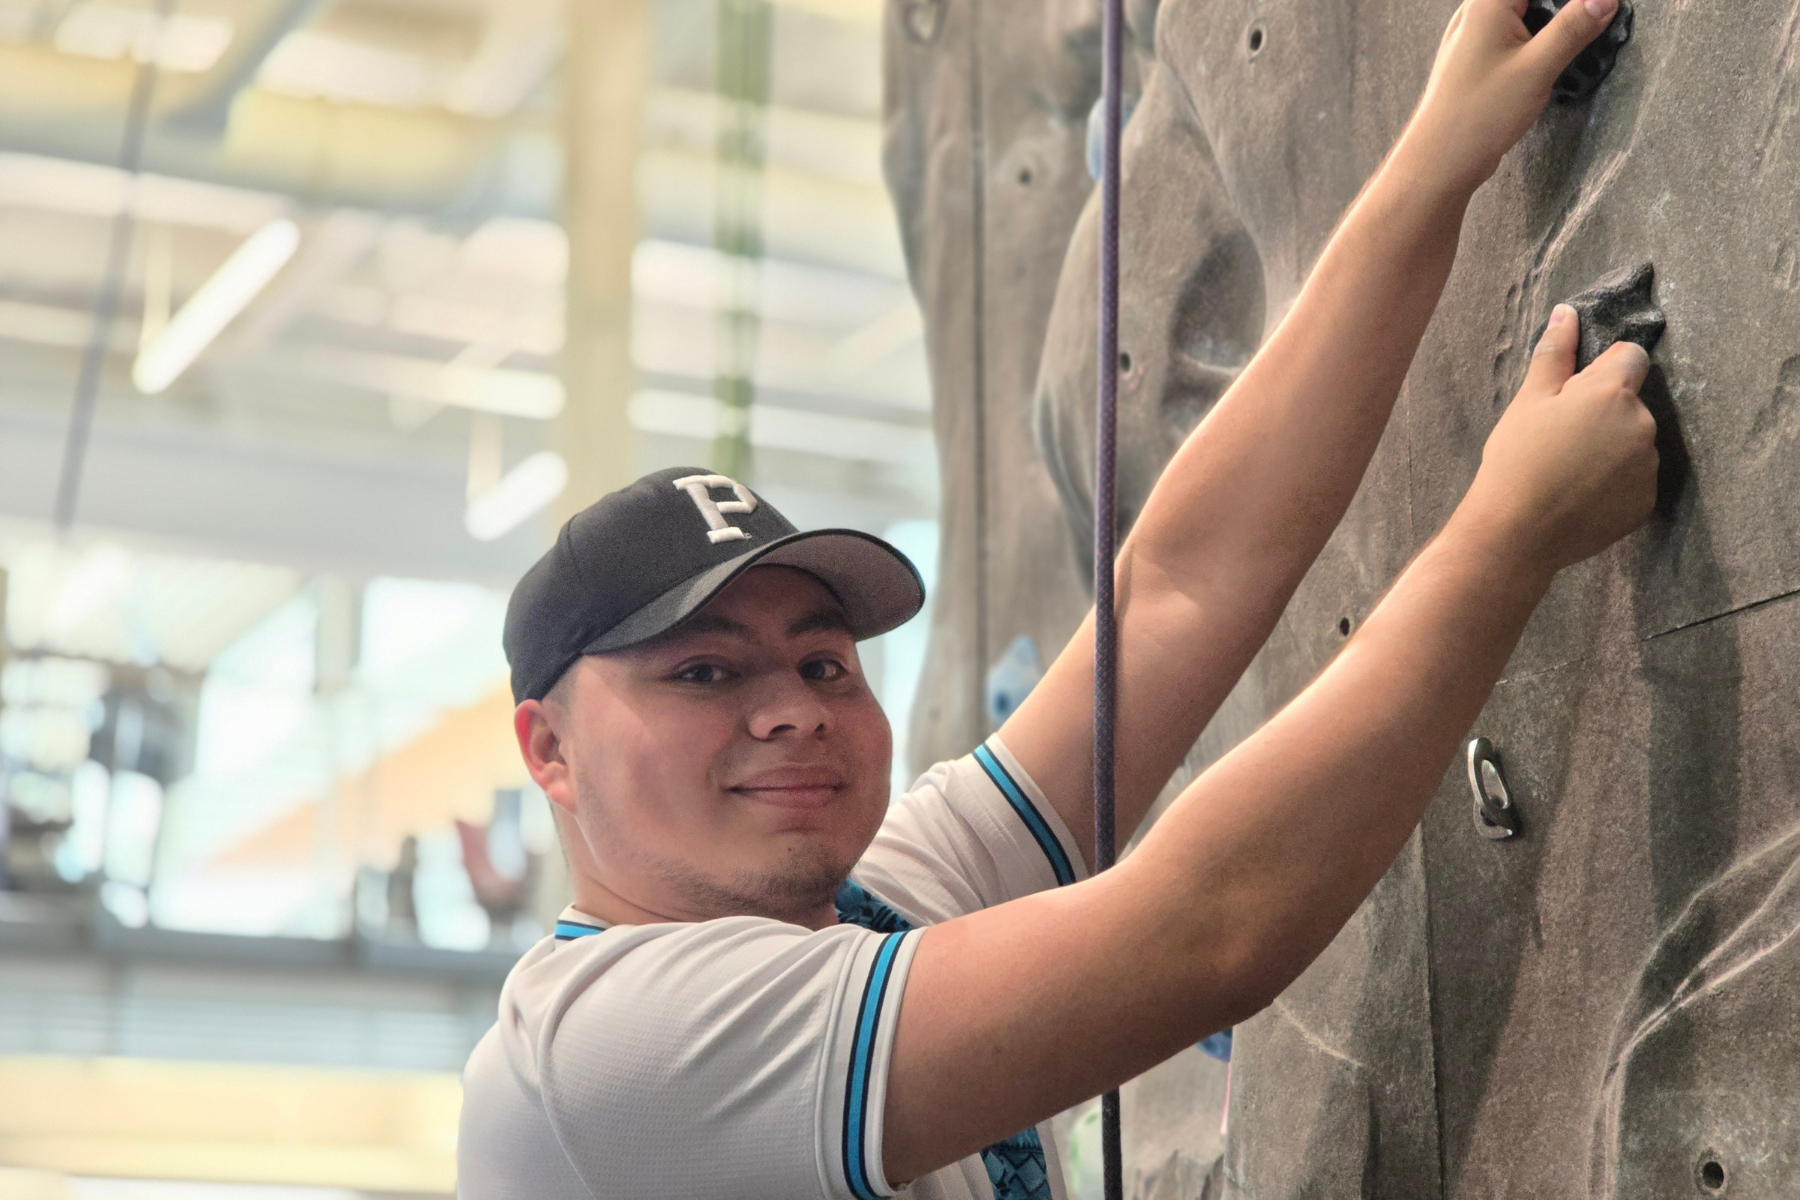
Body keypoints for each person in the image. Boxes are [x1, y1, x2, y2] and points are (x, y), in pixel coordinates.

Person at [457, 1, 1657, 1196]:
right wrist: (1506, 539)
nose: (795, 710)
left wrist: (1440, 154)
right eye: (705, 672)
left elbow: (1181, 584)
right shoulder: (606, 1056)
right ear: (548, 749)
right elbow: (1206, 932)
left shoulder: (874, 903)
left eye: (823, 663)